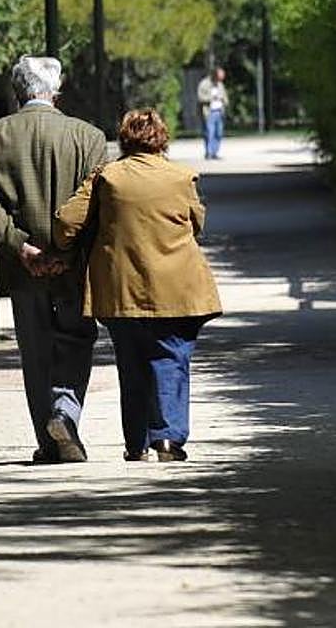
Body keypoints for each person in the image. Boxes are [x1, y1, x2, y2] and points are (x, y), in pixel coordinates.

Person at [53, 108, 221, 462]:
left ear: (124, 139)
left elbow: (67, 223)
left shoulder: (107, 177)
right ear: (162, 139)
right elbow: (197, 224)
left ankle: (137, 444)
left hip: (121, 290)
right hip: (178, 289)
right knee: (172, 358)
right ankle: (168, 440)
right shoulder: (181, 177)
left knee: (131, 363)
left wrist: (69, 247)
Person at [0, 56, 108, 463]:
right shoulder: (89, 138)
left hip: (21, 266)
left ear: (17, 91)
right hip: (74, 263)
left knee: (35, 351)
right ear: (55, 91)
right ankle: (64, 412)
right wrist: (66, 251)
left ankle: (49, 444)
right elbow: (95, 205)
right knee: (78, 337)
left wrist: (21, 247)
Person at [196, 66, 229, 159]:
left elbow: (225, 96)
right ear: (214, 75)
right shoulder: (204, 84)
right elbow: (200, 97)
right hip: (209, 112)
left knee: (219, 133)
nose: (220, 80)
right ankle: (209, 153)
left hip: (219, 112)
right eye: (219, 78)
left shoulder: (220, 84)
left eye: (221, 78)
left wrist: (225, 101)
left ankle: (214, 152)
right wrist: (211, 98)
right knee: (209, 133)